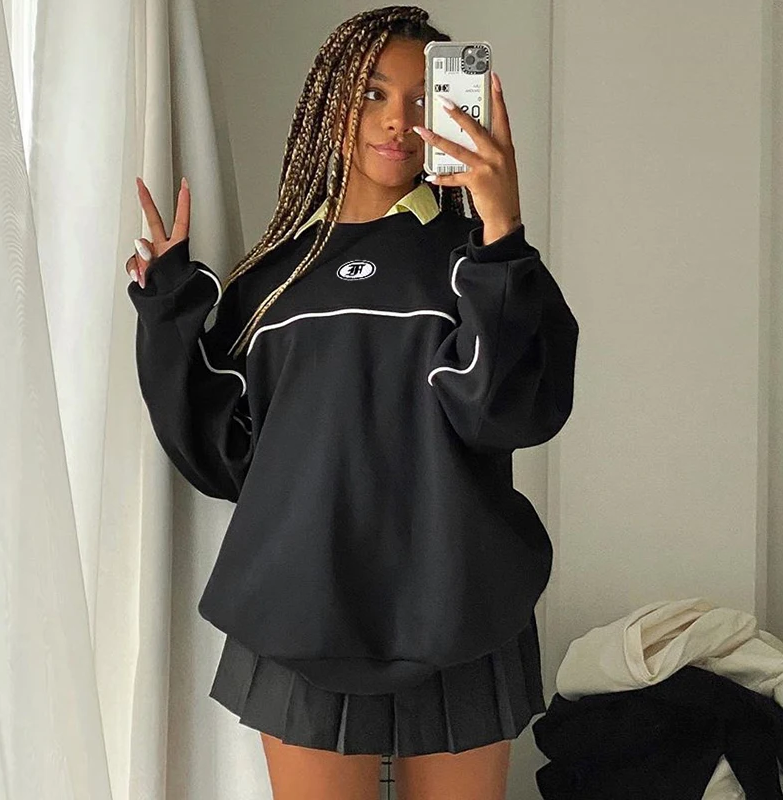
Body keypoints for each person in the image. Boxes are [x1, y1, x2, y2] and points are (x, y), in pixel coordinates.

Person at [125, 6, 579, 799]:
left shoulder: (478, 264)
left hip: (459, 605)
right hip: (304, 611)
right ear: (329, 102)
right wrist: (169, 305)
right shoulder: (274, 281)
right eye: (372, 92)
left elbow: (502, 414)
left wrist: (502, 228)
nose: (397, 119)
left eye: (422, 98)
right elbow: (227, 455)